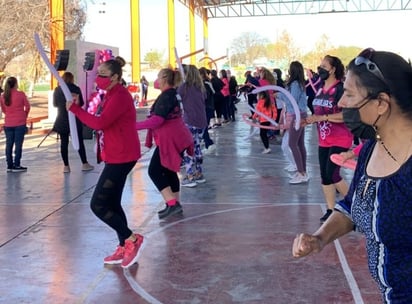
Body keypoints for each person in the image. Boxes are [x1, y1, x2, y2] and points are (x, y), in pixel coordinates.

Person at [293, 48, 412, 303]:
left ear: (381, 102)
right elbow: (353, 204)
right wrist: (320, 238)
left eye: (349, 94)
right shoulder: (371, 147)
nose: (341, 103)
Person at [66, 59, 144, 268]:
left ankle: (132, 239)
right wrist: (78, 106)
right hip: (116, 154)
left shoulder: (119, 96)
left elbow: (100, 123)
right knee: (113, 203)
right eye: (98, 73)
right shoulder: (110, 95)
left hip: (122, 156)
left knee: (98, 205)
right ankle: (123, 244)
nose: (98, 78)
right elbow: (100, 119)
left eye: (103, 74)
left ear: (115, 77)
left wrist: (75, 110)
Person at [136, 67, 193, 219]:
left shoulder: (167, 96)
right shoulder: (172, 94)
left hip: (171, 139)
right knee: (168, 171)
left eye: (158, 76)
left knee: (154, 170)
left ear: (164, 79)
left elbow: (157, 120)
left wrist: (134, 126)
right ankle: (174, 203)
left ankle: (173, 204)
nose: (156, 80)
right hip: (177, 137)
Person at [305, 55, 353, 223]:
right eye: (320, 66)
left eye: (324, 66)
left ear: (332, 69)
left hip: (340, 138)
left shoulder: (340, 89)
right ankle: (331, 210)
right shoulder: (319, 88)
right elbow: (317, 112)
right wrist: (311, 119)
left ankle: (355, 205)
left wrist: (323, 117)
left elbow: (347, 115)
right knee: (325, 176)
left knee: (332, 174)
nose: (320, 69)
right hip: (323, 139)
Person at [52, 72, 94, 173]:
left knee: (64, 143)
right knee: (79, 141)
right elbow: (82, 103)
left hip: (62, 119)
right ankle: (84, 163)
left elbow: (55, 104)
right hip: (75, 118)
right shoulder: (76, 88)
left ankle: (66, 166)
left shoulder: (58, 90)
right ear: (72, 79)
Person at [277, 61, 309, 184]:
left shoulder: (295, 84)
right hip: (300, 114)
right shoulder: (299, 83)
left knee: (292, 143)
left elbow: (292, 99)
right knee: (299, 144)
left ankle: (301, 172)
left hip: (297, 115)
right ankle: (303, 172)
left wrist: (279, 95)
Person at [178, 65, 208, 187]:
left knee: (188, 149)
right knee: (197, 147)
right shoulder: (201, 88)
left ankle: (190, 176)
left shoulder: (184, 87)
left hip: (189, 121)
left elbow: (177, 98)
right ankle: (199, 173)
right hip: (202, 121)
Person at [0, 76, 30, 172]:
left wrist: (9, 114)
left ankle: (9, 165)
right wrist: (24, 115)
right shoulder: (21, 94)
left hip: (8, 123)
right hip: (20, 122)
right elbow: (27, 107)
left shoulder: (3, 96)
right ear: (16, 84)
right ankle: (17, 164)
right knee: (18, 144)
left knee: (9, 144)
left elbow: (3, 109)